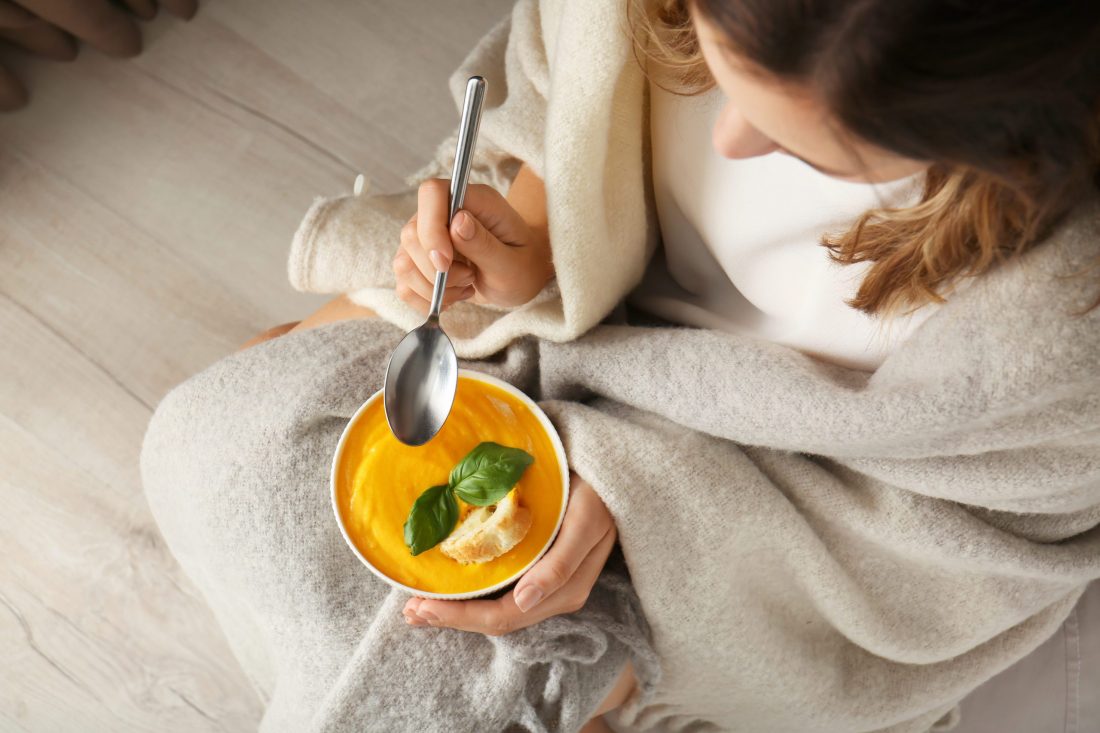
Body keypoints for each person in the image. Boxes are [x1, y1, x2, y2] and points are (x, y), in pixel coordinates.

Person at [149, 0, 1100, 730]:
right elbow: (572, 116)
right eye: (720, 69)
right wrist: (527, 239)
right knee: (212, 445)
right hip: (572, 327)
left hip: (769, 511)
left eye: (818, 151)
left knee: (422, 692)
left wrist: (648, 504)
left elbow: (949, 549)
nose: (732, 142)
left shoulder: (1062, 325)